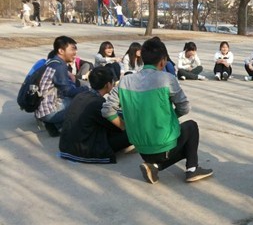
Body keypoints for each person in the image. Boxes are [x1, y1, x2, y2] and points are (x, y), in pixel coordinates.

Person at [102, 37, 213, 184]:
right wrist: (171, 117)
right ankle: (192, 169)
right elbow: (185, 107)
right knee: (191, 127)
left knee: (174, 141)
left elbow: (107, 110)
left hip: (141, 148)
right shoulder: (167, 79)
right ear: (163, 61)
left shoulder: (124, 81)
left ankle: (154, 167)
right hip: (164, 144)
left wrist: (126, 127)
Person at [59, 66, 132, 164]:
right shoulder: (97, 103)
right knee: (131, 132)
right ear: (107, 84)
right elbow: (115, 127)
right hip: (84, 150)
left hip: (66, 147)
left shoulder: (81, 95)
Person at [35, 36, 90, 136]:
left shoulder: (52, 62)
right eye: (72, 49)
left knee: (78, 95)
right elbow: (68, 91)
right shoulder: (59, 66)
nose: (75, 52)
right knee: (84, 101)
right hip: (49, 112)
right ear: (61, 51)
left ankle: (55, 124)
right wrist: (87, 88)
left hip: (42, 108)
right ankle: (58, 124)